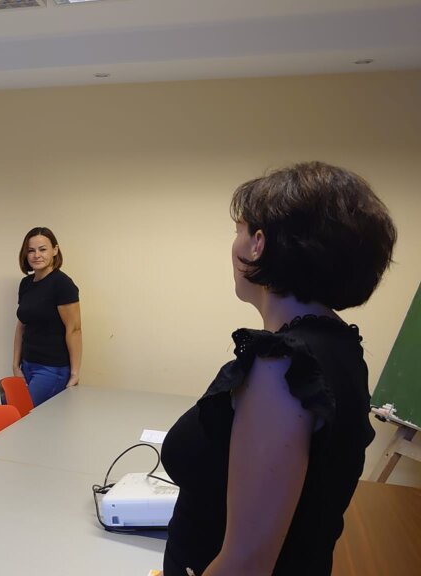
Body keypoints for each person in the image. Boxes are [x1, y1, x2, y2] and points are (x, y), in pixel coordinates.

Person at [160, 162, 397, 575]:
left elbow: (246, 565)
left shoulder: (283, 367)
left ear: (258, 243)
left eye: (239, 228)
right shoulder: (337, 345)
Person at [12, 227, 82, 406]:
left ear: (55, 250)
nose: (36, 255)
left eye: (42, 249)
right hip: (27, 365)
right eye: (31, 250)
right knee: (21, 415)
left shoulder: (62, 284)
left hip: (52, 369)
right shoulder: (26, 284)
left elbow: (74, 329)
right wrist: (16, 365)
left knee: (25, 414)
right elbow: (21, 325)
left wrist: (75, 373)